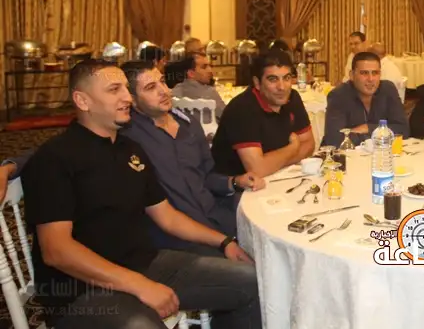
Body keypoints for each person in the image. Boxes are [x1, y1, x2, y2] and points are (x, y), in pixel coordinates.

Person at [21, 59, 262, 329]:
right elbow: (56, 251)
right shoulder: (55, 159)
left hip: (145, 264)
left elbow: (167, 217)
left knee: (252, 280)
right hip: (81, 289)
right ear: (82, 100)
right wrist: (138, 284)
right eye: (114, 90)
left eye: (126, 88)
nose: (127, 97)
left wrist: (224, 242)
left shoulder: (131, 150)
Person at [120, 61, 265, 256]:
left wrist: (234, 181)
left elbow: (207, 176)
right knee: (253, 271)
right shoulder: (128, 138)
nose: (163, 91)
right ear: (132, 99)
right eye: (150, 87)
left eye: (162, 81)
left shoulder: (188, 124)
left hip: (217, 217)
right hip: (179, 240)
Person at [212, 49, 315, 177]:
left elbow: (309, 145)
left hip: (278, 177)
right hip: (238, 185)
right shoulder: (242, 109)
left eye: (287, 78)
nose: (282, 87)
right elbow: (258, 170)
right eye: (273, 79)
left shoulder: (292, 98)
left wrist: (273, 163)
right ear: (257, 83)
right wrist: (293, 147)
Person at [322, 52, 409, 147]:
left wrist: (367, 128)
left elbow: (403, 130)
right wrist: (381, 133)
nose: (370, 79)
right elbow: (335, 140)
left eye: (375, 73)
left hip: (380, 153)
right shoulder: (338, 96)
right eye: (364, 73)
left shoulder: (388, 89)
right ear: (352, 75)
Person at [170, 53, 226, 122]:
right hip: (211, 128)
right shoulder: (210, 92)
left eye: (210, 66)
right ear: (191, 74)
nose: (210, 70)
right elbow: (226, 115)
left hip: (184, 128)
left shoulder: (175, 90)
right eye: (204, 67)